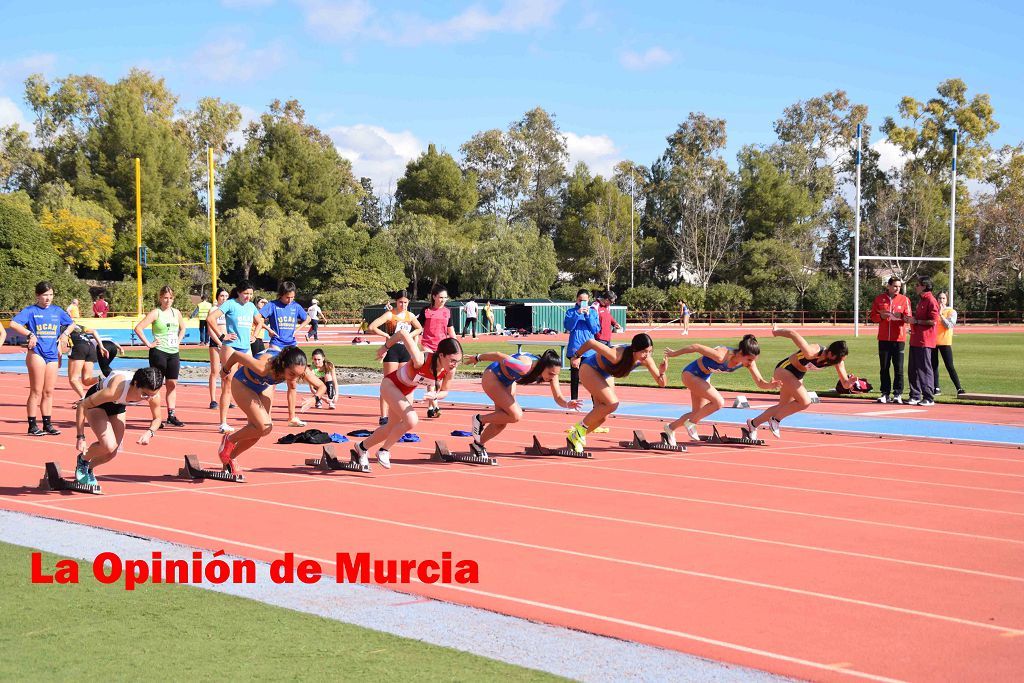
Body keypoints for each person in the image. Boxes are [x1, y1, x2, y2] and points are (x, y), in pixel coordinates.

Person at [353, 331, 462, 469]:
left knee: (390, 428)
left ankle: (362, 447)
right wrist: (384, 348)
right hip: (390, 385)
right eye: (452, 360)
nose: (455, 365)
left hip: (406, 391)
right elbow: (403, 333)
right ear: (441, 355)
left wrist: (435, 396)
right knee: (411, 420)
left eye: (458, 361)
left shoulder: (449, 371)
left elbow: (445, 391)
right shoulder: (420, 359)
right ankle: (384, 451)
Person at [217, 345, 328, 475]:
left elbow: (322, 386)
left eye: (298, 375)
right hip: (243, 383)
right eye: (291, 374)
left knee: (260, 431)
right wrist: (225, 369)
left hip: (264, 386)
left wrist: (314, 399)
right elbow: (236, 355)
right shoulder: (265, 366)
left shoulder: (298, 368)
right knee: (263, 426)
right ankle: (229, 440)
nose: (294, 379)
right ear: (283, 365)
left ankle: (230, 458)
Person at [662, 335, 780, 444]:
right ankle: (691, 423)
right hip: (691, 374)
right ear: (741, 353)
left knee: (697, 412)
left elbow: (760, 382)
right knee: (718, 402)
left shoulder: (748, 363)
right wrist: (674, 354)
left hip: (703, 377)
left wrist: (771, 385)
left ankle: (670, 428)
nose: (751, 363)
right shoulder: (722, 355)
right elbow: (696, 347)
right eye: (749, 359)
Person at [746, 328, 857, 440]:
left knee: (783, 406)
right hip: (785, 369)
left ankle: (753, 424)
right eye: (838, 359)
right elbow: (793, 334)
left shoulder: (838, 362)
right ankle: (776, 419)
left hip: (798, 375)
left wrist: (849, 383)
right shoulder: (812, 351)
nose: (839, 362)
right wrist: (776, 332)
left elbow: (844, 384)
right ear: (831, 353)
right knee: (805, 401)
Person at [566, 333, 666, 453]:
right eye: (644, 351)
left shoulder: (646, 360)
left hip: (605, 374)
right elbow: (591, 342)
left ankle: (574, 437)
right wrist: (576, 356)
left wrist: (663, 372)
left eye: (650, 351)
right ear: (634, 349)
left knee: (602, 417)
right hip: (590, 369)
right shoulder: (617, 355)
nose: (647, 355)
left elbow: (662, 383)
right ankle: (579, 428)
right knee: (612, 403)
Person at [465, 349, 582, 452]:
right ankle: (479, 419)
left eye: (555, 375)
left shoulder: (552, 372)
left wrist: (567, 403)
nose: (552, 377)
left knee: (500, 423)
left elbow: (558, 397)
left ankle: (478, 444)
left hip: (508, 381)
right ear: (542, 366)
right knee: (516, 415)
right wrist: (477, 357)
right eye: (550, 374)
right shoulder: (524, 366)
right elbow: (498, 355)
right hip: (493, 376)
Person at [73, 368, 164, 486]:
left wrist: (149, 432)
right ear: (136, 384)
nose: (148, 398)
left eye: (153, 395)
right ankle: (83, 460)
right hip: (98, 402)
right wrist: (81, 437)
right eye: (145, 394)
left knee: (111, 453)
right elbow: (82, 405)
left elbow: (157, 418)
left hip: (118, 405)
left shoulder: (153, 395)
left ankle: (88, 468)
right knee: (108, 446)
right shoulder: (117, 388)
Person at [9, 281, 77, 435]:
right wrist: (30, 334)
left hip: (52, 354)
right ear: (37, 296)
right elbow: (13, 323)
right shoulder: (31, 311)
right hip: (37, 353)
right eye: (45, 295)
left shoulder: (57, 311)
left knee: (49, 392)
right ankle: (32, 425)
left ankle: (47, 424)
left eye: (51, 294)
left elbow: (72, 324)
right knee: (36, 391)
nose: (48, 298)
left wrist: (65, 334)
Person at [207, 281, 264, 433]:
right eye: (246, 293)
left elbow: (260, 321)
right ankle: (223, 422)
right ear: (239, 292)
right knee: (228, 382)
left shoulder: (251, 306)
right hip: (230, 347)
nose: (248, 297)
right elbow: (210, 319)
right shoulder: (230, 304)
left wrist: (255, 335)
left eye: (251, 294)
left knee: (252, 381)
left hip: (246, 348)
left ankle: (252, 419)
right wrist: (222, 335)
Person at [133, 285, 187, 427]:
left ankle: (171, 415)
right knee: (155, 386)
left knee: (172, 384)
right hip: (159, 352)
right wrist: (148, 344)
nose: (168, 301)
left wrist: (179, 341)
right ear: (160, 298)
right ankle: (156, 418)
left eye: (170, 298)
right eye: (165, 298)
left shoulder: (176, 313)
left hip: (173, 352)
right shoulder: (156, 313)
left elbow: (183, 328)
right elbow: (138, 328)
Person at [260, 281, 311, 427]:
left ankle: (292, 417)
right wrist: (268, 329)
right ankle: (266, 416)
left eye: (292, 297)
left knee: (293, 383)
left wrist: (298, 329)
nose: (290, 300)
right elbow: (258, 317)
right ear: (281, 295)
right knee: (271, 382)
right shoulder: (272, 305)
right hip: (276, 346)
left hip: (291, 346)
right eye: (287, 297)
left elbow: (307, 318)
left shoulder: (295, 307)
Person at [368, 290, 422, 425]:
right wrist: (386, 336)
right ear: (396, 302)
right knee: (388, 383)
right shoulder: (390, 314)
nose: (403, 305)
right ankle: (383, 416)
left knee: (403, 382)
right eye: (400, 302)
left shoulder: (410, 315)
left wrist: (409, 335)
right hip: (392, 350)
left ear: (408, 302)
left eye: (405, 302)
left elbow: (420, 328)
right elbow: (372, 327)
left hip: (405, 350)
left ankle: (400, 413)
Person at [870, 276, 912, 404]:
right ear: (888, 286)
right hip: (883, 338)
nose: (897, 289)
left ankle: (898, 394)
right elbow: (873, 316)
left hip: (898, 338)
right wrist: (881, 316)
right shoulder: (879, 299)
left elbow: (909, 318)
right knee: (884, 367)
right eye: (895, 286)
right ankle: (885, 393)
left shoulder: (905, 300)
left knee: (898, 368)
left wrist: (902, 317)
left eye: (899, 286)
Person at [417, 284, 457, 418]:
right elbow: (417, 328)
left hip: (442, 347)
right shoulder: (426, 311)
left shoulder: (447, 311)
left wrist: (455, 346)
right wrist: (418, 344)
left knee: (438, 379)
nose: (443, 300)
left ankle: (430, 407)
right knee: (432, 377)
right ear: (434, 296)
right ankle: (436, 406)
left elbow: (451, 330)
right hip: (428, 346)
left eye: (445, 298)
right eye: (440, 297)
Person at [905, 276, 940, 407]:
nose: (915, 287)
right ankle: (914, 395)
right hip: (915, 339)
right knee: (913, 369)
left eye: (917, 284)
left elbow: (933, 321)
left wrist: (917, 321)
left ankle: (928, 397)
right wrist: (911, 320)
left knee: (924, 369)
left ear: (924, 286)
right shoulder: (921, 300)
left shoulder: (931, 300)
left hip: (925, 340)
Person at [564, 289, 600, 402]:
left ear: (589, 300)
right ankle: (574, 401)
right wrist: (577, 313)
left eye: (585, 300)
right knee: (575, 376)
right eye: (580, 300)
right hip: (575, 347)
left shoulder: (593, 312)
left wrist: (588, 316)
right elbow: (568, 327)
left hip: (590, 350)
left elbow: (595, 329)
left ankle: (596, 402)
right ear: (577, 300)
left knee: (593, 377)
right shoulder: (571, 312)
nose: (582, 303)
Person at [932, 292, 965, 396]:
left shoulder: (951, 311)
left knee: (950, 366)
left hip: (945, 342)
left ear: (946, 300)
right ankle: (936, 387)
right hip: (933, 342)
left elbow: (949, 325)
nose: (941, 300)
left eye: (943, 298)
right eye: (939, 298)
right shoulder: (933, 311)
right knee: (934, 366)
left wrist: (941, 314)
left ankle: (959, 388)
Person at [205, 288, 230, 410]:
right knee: (215, 371)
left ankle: (226, 397)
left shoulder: (230, 310)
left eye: (226, 296)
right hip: (216, 342)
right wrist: (219, 342)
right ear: (217, 297)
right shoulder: (213, 310)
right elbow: (210, 330)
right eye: (222, 296)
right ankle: (213, 400)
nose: (224, 298)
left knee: (227, 372)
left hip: (228, 343)